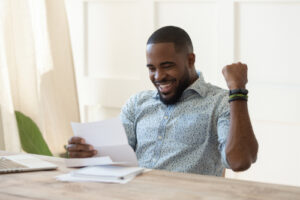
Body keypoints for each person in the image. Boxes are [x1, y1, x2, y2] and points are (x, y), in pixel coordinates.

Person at [67, 26, 258, 176]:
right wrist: (87, 153)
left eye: (167, 66)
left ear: (190, 60)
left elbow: (240, 161)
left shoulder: (221, 102)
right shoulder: (137, 103)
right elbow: (116, 157)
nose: (158, 76)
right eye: (152, 68)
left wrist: (238, 90)